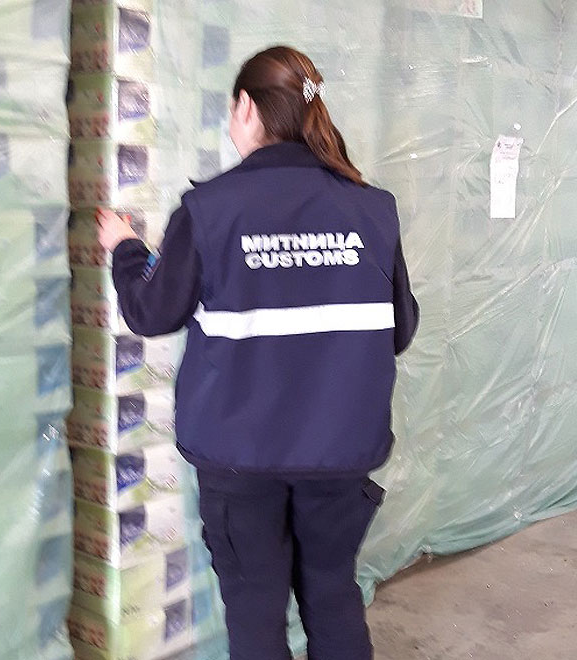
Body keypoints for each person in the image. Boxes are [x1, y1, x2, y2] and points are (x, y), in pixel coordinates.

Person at [96, 45, 419, 660]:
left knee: (254, 613)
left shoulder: (210, 210)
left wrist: (126, 248)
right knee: (333, 597)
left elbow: (151, 312)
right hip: (340, 451)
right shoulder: (372, 209)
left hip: (240, 457)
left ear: (245, 107)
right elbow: (399, 330)